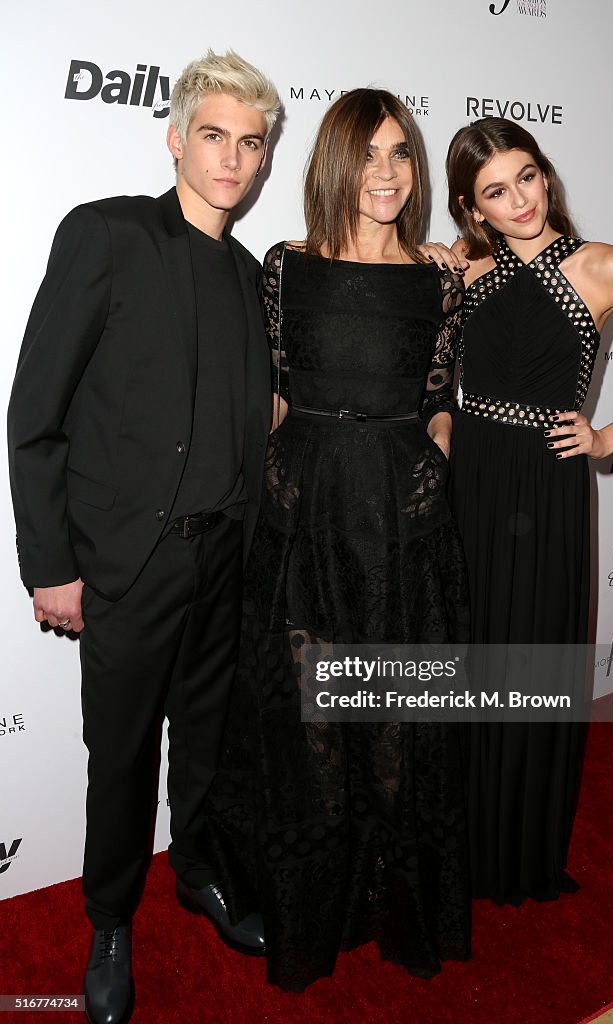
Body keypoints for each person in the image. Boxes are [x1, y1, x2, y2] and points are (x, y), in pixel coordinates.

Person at [7, 50, 279, 1024]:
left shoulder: (253, 280)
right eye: (214, 135)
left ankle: (198, 869)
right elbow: (35, 412)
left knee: (203, 744)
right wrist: (51, 564)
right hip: (131, 561)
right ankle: (108, 922)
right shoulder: (108, 235)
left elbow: (244, 419)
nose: (231, 159)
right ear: (174, 138)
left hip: (224, 559)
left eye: (250, 143)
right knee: (119, 757)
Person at [206, 88, 471, 992]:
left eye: (401, 154)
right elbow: (274, 394)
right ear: (333, 166)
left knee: (393, 722)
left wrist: (433, 465)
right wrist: (271, 496)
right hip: (303, 520)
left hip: (402, 528)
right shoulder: (284, 267)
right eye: (367, 155)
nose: (386, 174)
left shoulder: (439, 278)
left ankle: (386, 901)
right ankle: (310, 906)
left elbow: (438, 401)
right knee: (305, 721)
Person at [445, 117, 613, 905]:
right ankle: (456, 832)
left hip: (545, 482)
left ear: (545, 175)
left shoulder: (603, 266)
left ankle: (516, 843)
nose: (518, 199)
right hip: (470, 478)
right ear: (472, 208)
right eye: (495, 190)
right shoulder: (465, 271)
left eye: (526, 176)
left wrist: (606, 439)